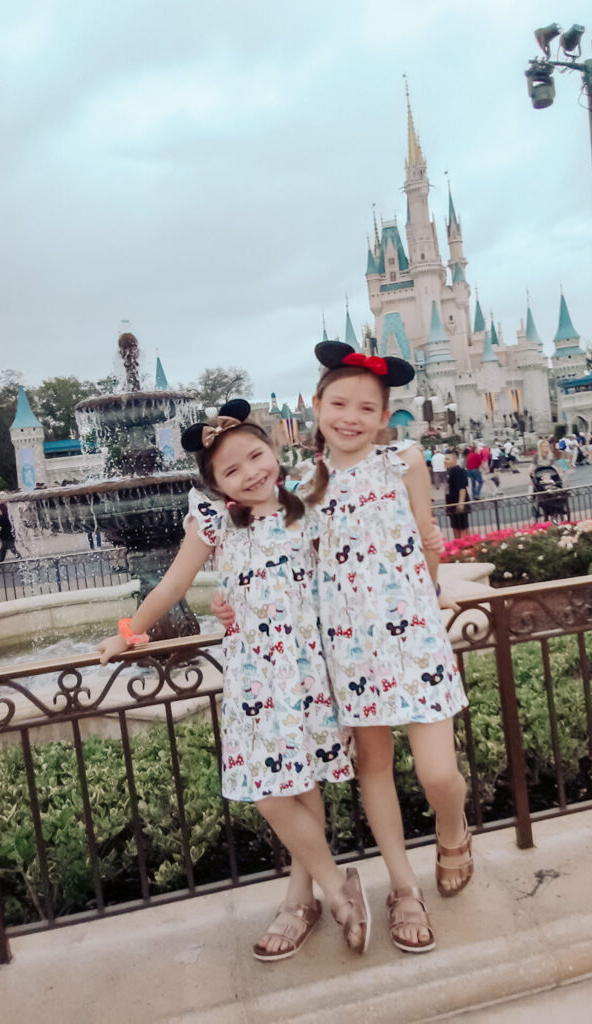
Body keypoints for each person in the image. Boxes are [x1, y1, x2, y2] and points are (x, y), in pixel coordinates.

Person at [215, 346, 472, 955]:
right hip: (349, 655)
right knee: (373, 772)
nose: (350, 416)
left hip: (413, 642)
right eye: (339, 404)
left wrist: (427, 599)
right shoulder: (301, 488)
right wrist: (228, 608)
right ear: (317, 407)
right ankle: (402, 889)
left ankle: (453, 826)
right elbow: (279, 567)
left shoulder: (403, 461)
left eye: (366, 407)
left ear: (385, 415)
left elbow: (428, 538)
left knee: (439, 775)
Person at [96, 400, 370, 962]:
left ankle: (301, 900)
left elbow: (346, 582)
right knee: (271, 792)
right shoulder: (215, 522)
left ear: (273, 449)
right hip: (252, 676)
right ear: (216, 484)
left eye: (255, 455)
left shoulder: (310, 509)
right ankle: (341, 892)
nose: (250, 473)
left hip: (308, 670)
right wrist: (128, 633)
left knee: (302, 783)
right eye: (232, 470)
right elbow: (172, 586)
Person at [445, 450, 470, 538]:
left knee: (462, 527)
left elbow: (462, 488)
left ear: (455, 460)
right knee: (455, 527)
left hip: (457, 504)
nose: (445, 461)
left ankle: (467, 546)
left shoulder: (457, 471)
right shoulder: (450, 472)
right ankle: (459, 546)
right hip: (452, 505)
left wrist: (461, 503)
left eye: (448, 459)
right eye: (445, 459)